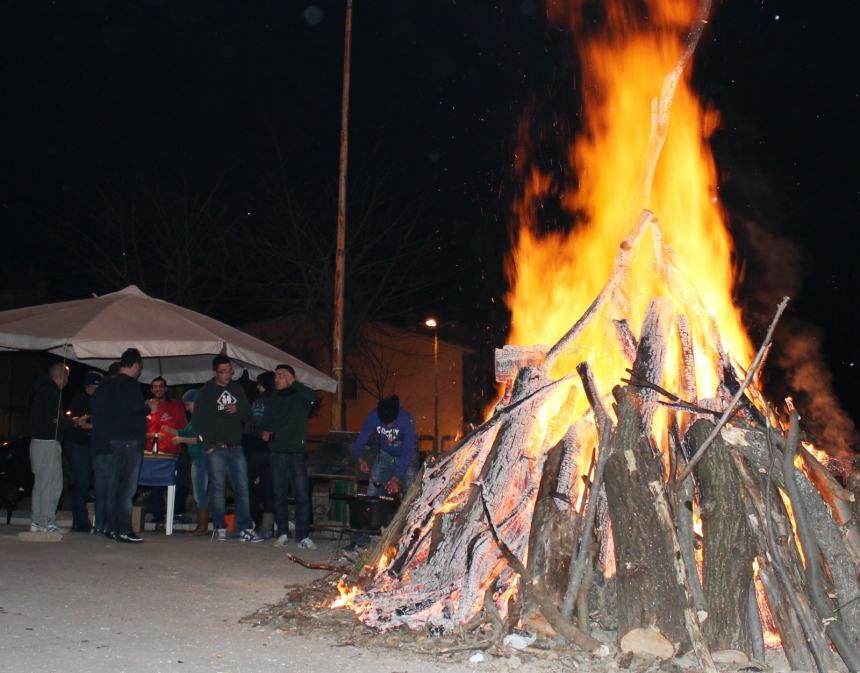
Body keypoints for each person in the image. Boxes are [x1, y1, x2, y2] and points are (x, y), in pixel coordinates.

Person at [193, 355, 262, 543]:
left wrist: (237, 409)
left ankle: (245, 528)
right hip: (216, 447)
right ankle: (219, 527)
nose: (227, 375)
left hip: (236, 447)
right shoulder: (207, 391)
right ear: (215, 372)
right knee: (217, 488)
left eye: (229, 371)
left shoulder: (236, 389)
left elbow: (249, 415)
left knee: (242, 487)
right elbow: (197, 420)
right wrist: (206, 443)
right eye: (222, 372)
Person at [348, 395, 419, 550]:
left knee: (411, 494)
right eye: (384, 423)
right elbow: (362, 438)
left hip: (407, 457)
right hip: (385, 455)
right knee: (373, 492)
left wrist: (397, 477)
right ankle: (369, 532)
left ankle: (411, 532)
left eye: (391, 423)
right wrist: (360, 459)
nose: (387, 426)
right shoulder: (373, 416)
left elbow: (408, 450)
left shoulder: (406, 419)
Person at [261, 364, 316, 549]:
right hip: (277, 452)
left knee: (302, 495)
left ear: (291, 378)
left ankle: (303, 536)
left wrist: (295, 383)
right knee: (279, 494)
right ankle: (282, 533)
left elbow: (313, 398)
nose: (276, 379)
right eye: (275, 375)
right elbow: (266, 422)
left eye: (280, 375)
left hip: (296, 453)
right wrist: (265, 432)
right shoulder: (273, 399)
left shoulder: (300, 397)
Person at [103, 348, 148, 543]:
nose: (139, 372)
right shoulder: (131, 385)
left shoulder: (110, 384)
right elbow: (135, 409)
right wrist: (148, 407)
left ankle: (110, 527)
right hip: (130, 439)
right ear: (136, 365)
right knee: (127, 489)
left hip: (113, 440)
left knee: (113, 485)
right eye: (139, 367)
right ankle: (125, 529)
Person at [28, 362, 74, 533]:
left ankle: (37, 521)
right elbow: (53, 422)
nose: (68, 381)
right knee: (52, 483)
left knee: (41, 482)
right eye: (67, 377)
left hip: (38, 442)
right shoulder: (51, 393)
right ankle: (45, 522)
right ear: (61, 376)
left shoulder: (42, 391)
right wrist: (71, 422)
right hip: (47, 442)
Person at [145, 376, 189, 528]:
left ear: (166, 388)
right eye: (155, 386)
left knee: (181, 483)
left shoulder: (176, 405)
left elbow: (184, 427)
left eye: (161, 386)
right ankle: (158, 516)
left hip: (175, 449)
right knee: (156, 485)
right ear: (151, 389)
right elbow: (143, 429)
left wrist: (181, 439)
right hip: (154, 451)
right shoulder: (146, 405)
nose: (158, 389)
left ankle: (177, 513)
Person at [63, 371, 102, 532]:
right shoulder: (80, 399)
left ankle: (97, 520)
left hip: (93, 444)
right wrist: (83, 423)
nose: (97, 390)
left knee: (95, 482)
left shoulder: (101, 400)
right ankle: (80, 521)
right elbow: (78, 421)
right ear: (88, 387)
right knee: (82, 480)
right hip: (78, 444)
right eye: (95, 387)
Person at [169, 389, 209, 535]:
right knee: (199, 493)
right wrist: (170, 430)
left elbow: (202, 439)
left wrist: (181, 440)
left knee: (200, 493)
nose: (186, 408)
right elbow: (185, 431)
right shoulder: (195, 418)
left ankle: (202, 527)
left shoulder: (204, 418)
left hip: (202, 459)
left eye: (188, 404)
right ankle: (202, 526)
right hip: (197, 459)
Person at [242, 371, 276, 539]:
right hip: (273, 451)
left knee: (245, 485)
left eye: (260, 383)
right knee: (269, 488)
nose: (257, 386)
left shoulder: (259, 402)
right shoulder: (279, 402)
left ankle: (257, 520)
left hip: (256, 450)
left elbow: (251, 428)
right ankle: (267, 527)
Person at [90, 363, 119, 536]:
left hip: (97, 444)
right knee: (111, 487)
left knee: (100, 487)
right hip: (111, 445)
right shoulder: (115, 392)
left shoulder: (98, 392)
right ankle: (109, 524)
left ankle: (99, 523)